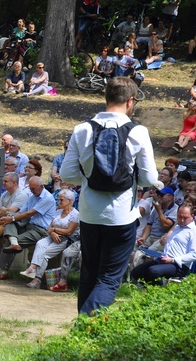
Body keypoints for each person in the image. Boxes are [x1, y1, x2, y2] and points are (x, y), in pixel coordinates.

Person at [60, 76, 158, 315]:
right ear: (130, 100)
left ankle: (83, 330)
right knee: (109, 279)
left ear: (106, 97)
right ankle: (84, 327)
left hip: (90, 214)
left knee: (89, 274)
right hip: (122, 217)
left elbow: (67, 173)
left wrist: (90, 175)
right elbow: (148, 178)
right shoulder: (138, 131)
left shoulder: (82, 129)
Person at [0, 176, 57, 277]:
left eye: (34, 189)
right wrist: (9, 217)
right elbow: (21, 212)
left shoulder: (48, 198)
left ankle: (1, 271)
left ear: (41, 186)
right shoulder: (32, 197)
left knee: (11, 240)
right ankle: (13, 244)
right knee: (9, 216)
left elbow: (30, 213)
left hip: (40, 231)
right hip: (28, 225)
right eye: (30, 189)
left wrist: (12, 219)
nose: (32, 191)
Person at [20, 189, 80, 288]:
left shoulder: (75, 214)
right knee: (40, 243)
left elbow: (69, 232)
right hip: (52, 236)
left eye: (61, 200)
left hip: (65, 240)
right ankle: (32, 267)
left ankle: (37, 280)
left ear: (69, 201)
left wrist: (54, 230)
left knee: (44, 254)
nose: (58, 202)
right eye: (58, 200)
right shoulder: (58, 211)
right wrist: (52, 233)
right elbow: (49, 228)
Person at [131, 204, 196, 285]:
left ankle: (159, 289)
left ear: (192, 216)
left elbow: (194, 255)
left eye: (185, 218)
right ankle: (150, 288)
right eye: (179, 217)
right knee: (137, 272)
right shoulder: (177, 227)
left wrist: (173, 259)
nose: (182, 220)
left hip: (179, 265)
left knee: (153, 271)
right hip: (165, 260)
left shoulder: (193, 232)